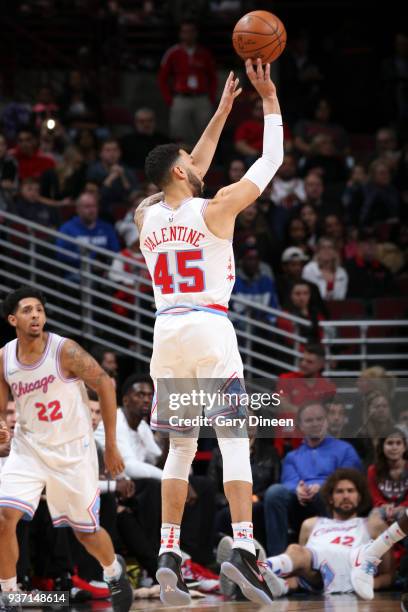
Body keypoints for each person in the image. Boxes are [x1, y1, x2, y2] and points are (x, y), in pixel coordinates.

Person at [135, 60, 284, 605]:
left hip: (165, 331)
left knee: (179, 446)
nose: (197, 167)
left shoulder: (144, 216)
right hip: (209, 326)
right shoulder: (218, 209)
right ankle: (243, 547)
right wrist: (267, 100)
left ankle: (168, 553)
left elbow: (186, 169)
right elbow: (272, 159)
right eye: (188, 165)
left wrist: (221, 111)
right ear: (181, 173)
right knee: (233, 439)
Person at [0, 287, 133, 612]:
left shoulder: (64, 350)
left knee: (85, 534)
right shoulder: (5, 356)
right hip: (28, 447)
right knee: (3, 518)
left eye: (39, 310)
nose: (35, 315)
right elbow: (2, 400)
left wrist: (111, 445)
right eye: (28, 310)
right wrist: (2, 424)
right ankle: (8, 594)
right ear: (13, 319)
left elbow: (104, 383)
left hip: (72, 451)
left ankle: (113, 572)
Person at [262, 469, 394, 598]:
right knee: (295, 563)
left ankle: (259, 569)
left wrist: (367, 584)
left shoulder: (373, 525)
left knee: (295, 551)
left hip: (348, 576)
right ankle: (275, 584)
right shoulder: (311, 524)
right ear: (330, 498)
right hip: (319, 577)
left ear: (359, 497)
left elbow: (388, 574)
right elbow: (301, 564)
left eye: (351, 491)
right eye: (339, 491)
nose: (346, 496)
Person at [263, 402, 362, 556]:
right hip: (299, 504)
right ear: (301, 426)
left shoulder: (345, 449)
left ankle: (333, 553)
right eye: (309, 420)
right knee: (274, 492)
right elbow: (288, 481)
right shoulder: (292, 456)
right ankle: (277, 559)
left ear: (326, 421)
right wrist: (298, 489)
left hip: (329, 499)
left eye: (319, 419)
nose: (315, 424)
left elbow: (350, 477)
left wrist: (324, 486)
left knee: (325, 492)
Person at [158, 21, 217, 146]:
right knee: (179, 133)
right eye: (185, 31)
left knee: (206, 133)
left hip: (201, 98)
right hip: (181, 98)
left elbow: (213, 78)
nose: (188, 35)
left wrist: (211, 98)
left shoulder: (204, 53)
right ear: (180, 34)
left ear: (196, 34)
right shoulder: (173, 53)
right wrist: (169, 99)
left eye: (191, 31)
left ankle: (204, 164)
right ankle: (181, 164)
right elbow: (162, 79)